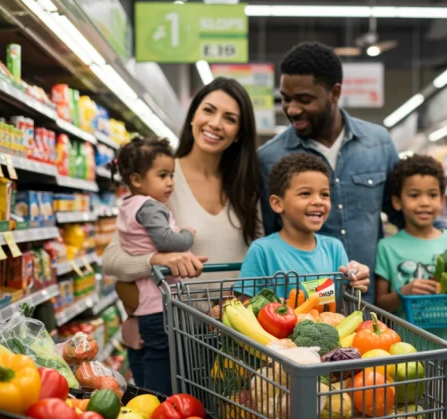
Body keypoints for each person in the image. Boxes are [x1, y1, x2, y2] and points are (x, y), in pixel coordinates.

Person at [258, 42, 447, 305]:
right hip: (308, 307)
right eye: (286, 99)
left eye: (304, 100)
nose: (292, 109)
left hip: (372, 300)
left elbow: (401, 209)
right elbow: (270, 232)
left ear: (334, 92)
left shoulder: (378, 143)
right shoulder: (271, 158)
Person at [102, 77, 263, 395]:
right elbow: (112, 260)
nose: (215, 123)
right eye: (209, 110)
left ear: (239, 133)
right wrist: (159, 259)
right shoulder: (161, 177)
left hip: (231, 343)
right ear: (193, 115)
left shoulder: (245, 185)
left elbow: (260, 254)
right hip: (171, 338)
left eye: (230, 119)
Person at [374, 155, 447, 419]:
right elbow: (381, 303)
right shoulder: (388, 247)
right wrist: (403, 293)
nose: (424, 202)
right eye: (414, 195)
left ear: (441, 199)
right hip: (405, 362)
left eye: (432, 194)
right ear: (397, 201)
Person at [109, 137, 196, 388]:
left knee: (145, 356)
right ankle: (158, 405)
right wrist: (188, 235)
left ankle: (144, 402)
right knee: (162, 362)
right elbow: (167, 241)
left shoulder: (129, 204)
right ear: (137, 180)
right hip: (158, 302)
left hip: (143, 302)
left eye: (171, 175)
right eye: (162, 175)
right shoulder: (150, 207)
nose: (170, 182)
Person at [239, 153, 370, 297]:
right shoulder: (262, 251)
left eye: (325, 194)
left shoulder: (334, 248)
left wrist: (355, 279)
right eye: (305, 193)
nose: (318, 201)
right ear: (277, 203)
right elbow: (247, 304)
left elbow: (345, 294)